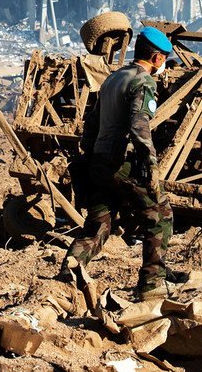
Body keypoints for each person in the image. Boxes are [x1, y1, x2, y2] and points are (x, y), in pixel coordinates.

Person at [63, 25, 178, 298]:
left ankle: (69, 270)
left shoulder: (113, 79)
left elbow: (90, 125)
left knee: (98, 225)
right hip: (122, 162)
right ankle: (152, 284)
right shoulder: (143, 81)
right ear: (157, 58)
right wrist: (150, 166)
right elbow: (140, 126)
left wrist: (91, 159)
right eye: (164, 59)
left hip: (99, 161)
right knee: (160, 216)